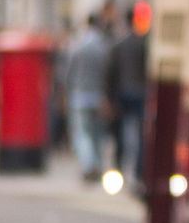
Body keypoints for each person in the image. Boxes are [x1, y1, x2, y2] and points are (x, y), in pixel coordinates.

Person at [62, 13, 111, 182]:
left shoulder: (77, 46)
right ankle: (99, 166)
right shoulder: (104, 47)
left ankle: (88, 166)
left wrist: (66, 93)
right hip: (99, 96)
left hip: (79, 96)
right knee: (98, 134)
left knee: (82, 134)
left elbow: (68, 73)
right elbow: (109, 74)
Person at [105, 14, 149, 188]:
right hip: (140, 93)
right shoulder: (144, 45)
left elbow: (110, 73)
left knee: (120, 133)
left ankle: (119, 168)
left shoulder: (118, 45)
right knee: (140, 134)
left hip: (121, 94)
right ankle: (138, 172)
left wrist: (109, 97)